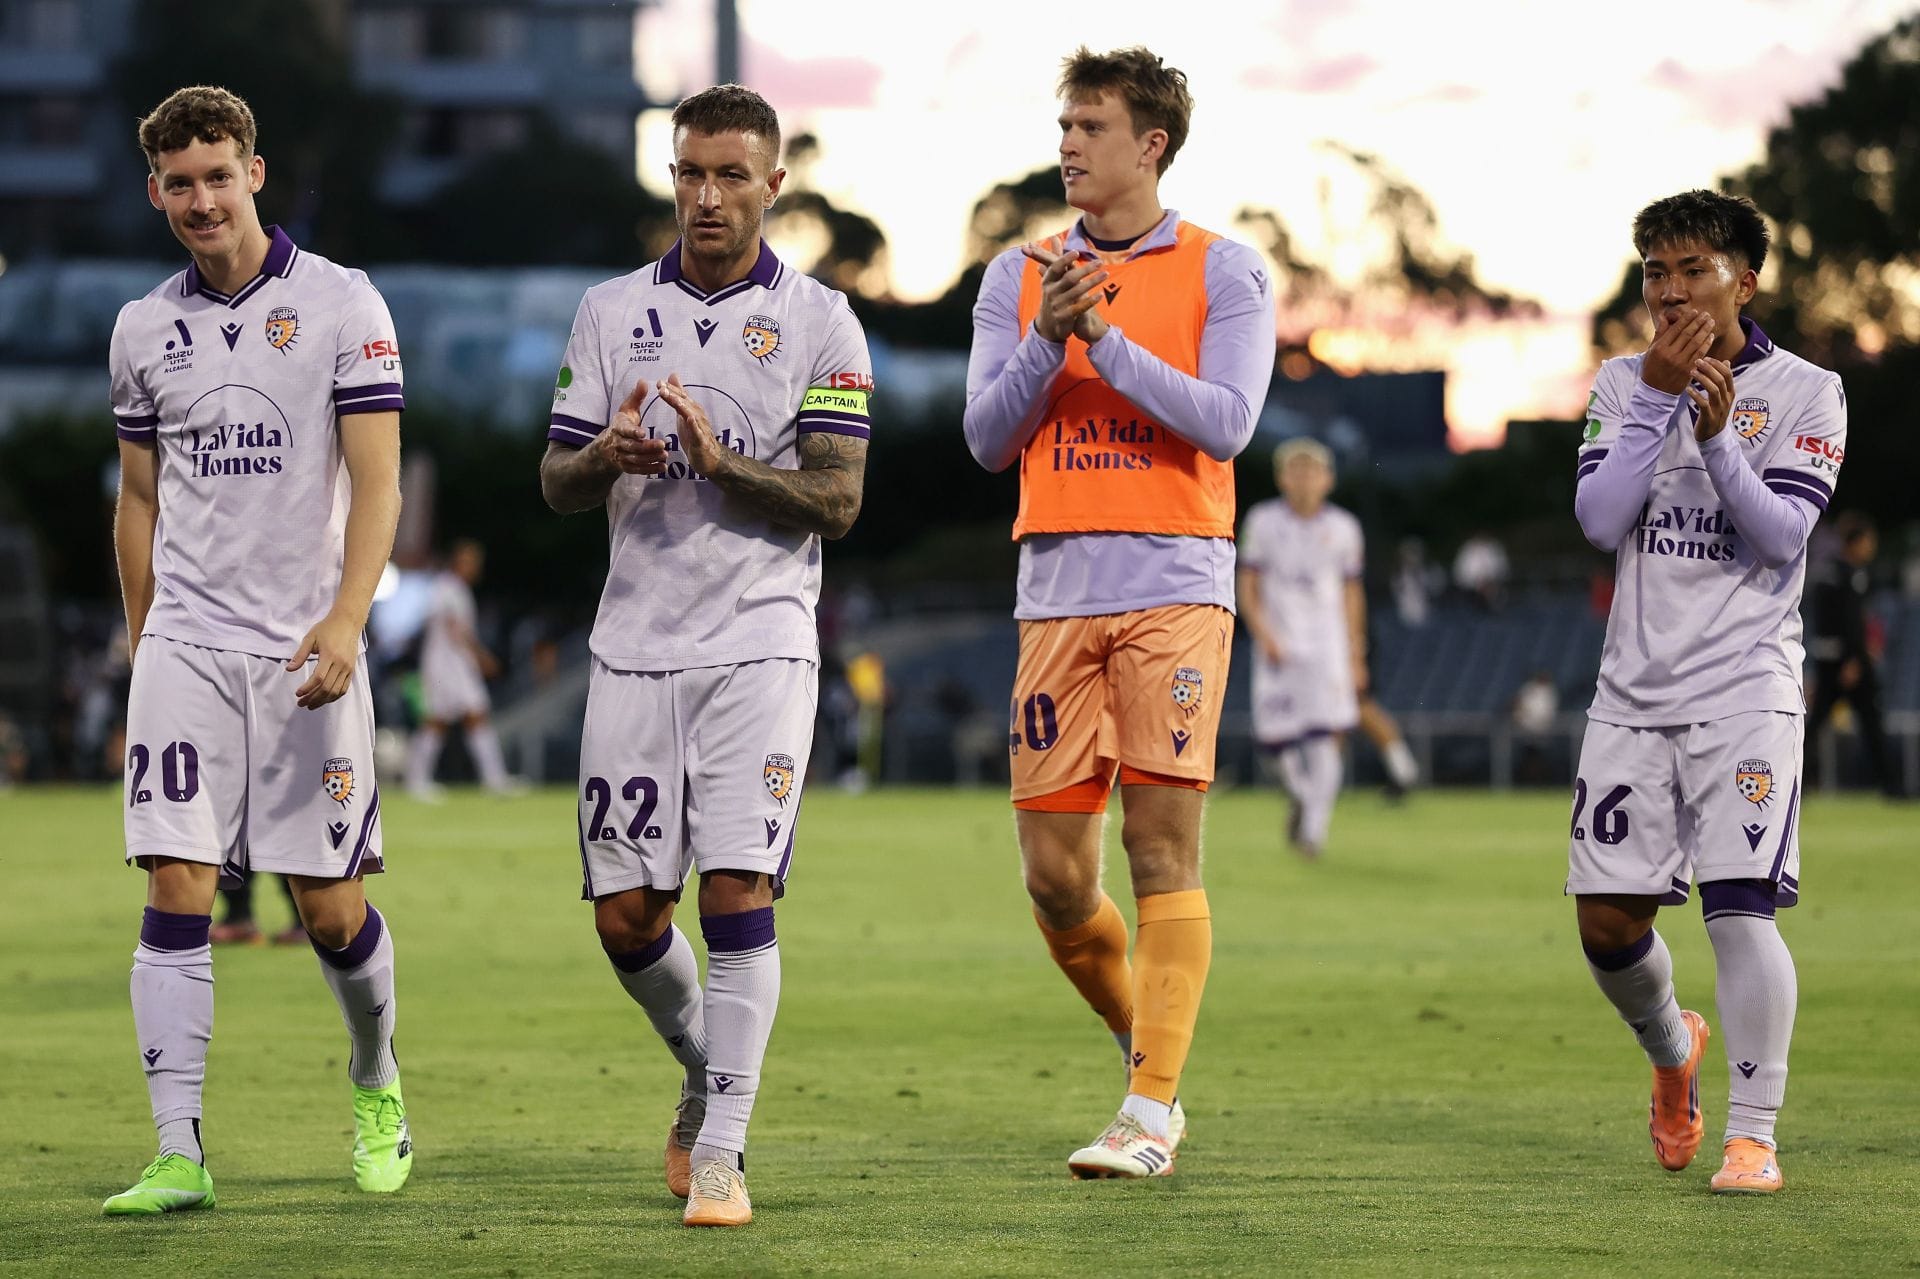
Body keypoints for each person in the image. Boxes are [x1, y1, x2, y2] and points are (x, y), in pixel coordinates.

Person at [538, 83, 871, 1228]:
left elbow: (836, 501)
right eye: (690, 172)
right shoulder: (608, 310)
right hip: (634, 646)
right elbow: (556, 475)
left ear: (774, 185)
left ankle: (723, 1148)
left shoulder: (824, 321)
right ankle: (700, 1066)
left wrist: (724, 464)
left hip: (760, 644)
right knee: (627, 919)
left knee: (737, 886)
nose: (708, 195)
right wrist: (612, 457)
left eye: (733, 175)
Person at [963, 46, 1273, 1178]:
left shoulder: (1224, 270)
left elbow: (1227, 421)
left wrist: (1105, 339)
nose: (1068, 145)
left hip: (1178, 581)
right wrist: (1051, 333)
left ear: (1151, 144)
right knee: (1055, 878)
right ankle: (1148, 1045)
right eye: (1064, 124)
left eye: (1090, 126)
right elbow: (988, 439)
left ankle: (1148, 1112)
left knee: (1159, 846)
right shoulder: (1018, 277)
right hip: (1053, 590)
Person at [104, 86, 411, 1215]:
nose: (200, 199)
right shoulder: (142, 329)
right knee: (176, 881)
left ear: (255, 174)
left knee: (326, 908)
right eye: (178, 183)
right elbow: (137, 501)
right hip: (185, 641)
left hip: (303, 648)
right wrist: (146, 646)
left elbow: (376, 481)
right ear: (156, 192)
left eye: (217, 176)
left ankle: (377, 1078)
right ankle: (178, 1148)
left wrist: (347, 615)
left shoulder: (342, 303)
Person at [1569, 189, 1846, 1196]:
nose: (1671, 289)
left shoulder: (1811, 391)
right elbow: (1601, 520)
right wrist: (1656, 395)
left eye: (1692, 269)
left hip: (1748, 689)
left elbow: (1780, 537)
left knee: (1740, 909)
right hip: (1633, 693)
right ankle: (1671, 1048)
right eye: (1655, 271)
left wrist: (1722, 438)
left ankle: (1754, 1136)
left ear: (1746, 278)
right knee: (1607, 925)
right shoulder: (1618, 380)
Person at [1237, 439, 1364, 859]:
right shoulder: (1262, 521)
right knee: (1274, 742)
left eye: (1313, 471)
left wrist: (1355, 650)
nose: (1305, 479)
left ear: (1328, 479)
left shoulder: (1345, 528)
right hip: (1279, 645)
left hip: (1327, 647)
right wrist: (1262, 632)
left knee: (1326, 739)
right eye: (1296, 470)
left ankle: (1313, 830)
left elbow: (1351, 592)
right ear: (1282, 477)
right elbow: (1248, 584)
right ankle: (1302, 796)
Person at [405, 538, 522, 798]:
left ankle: (494, 780)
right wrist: (482, 657)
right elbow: (455, 630)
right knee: (438, 721)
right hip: (446, 666)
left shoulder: (455, 589)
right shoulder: (447, 589)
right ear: (458, 561)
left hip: (454, 665)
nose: (473, 567)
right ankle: (417, 781)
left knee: (473, 717)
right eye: (469, 561)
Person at [1805, 514, 1900, 796]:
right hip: (1849, 663)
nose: (1870, 548)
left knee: (1815, 725)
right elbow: (1851, 624)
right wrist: (1856, 660)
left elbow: (1824, 622)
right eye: (1868, 542)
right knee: (1872, 725)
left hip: (1828, 659)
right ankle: (1893, 787)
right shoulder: (1852, 575)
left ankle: (1793, 777)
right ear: (1855, 543)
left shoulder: (1825, 573)